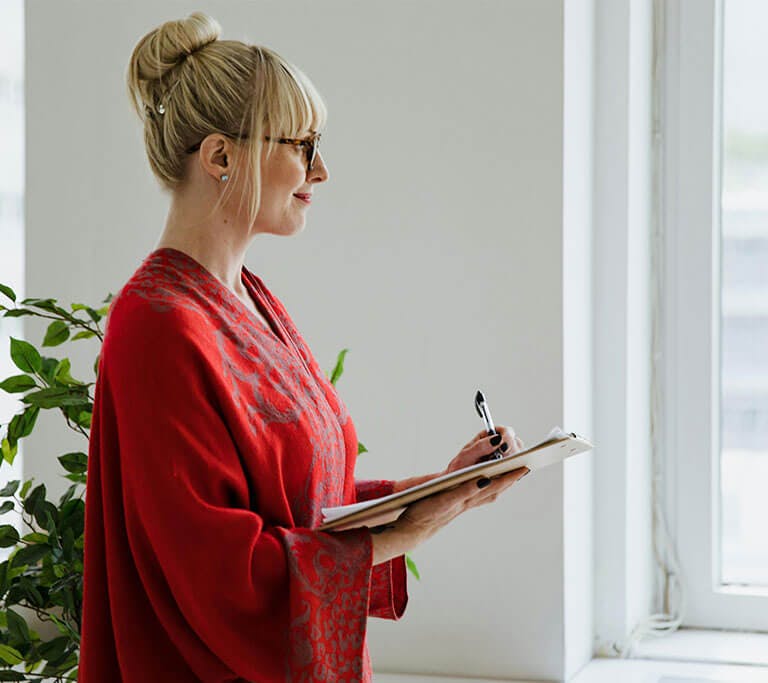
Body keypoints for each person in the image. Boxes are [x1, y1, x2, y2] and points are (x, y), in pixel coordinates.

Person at [79, 11, 529, 683]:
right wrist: (401, 535)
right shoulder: (155, 323)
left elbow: (300, 503)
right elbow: (217, 572)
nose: (321, 170)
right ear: (222, 156)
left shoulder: (252, 299)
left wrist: (432, 492)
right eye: (303, 144)